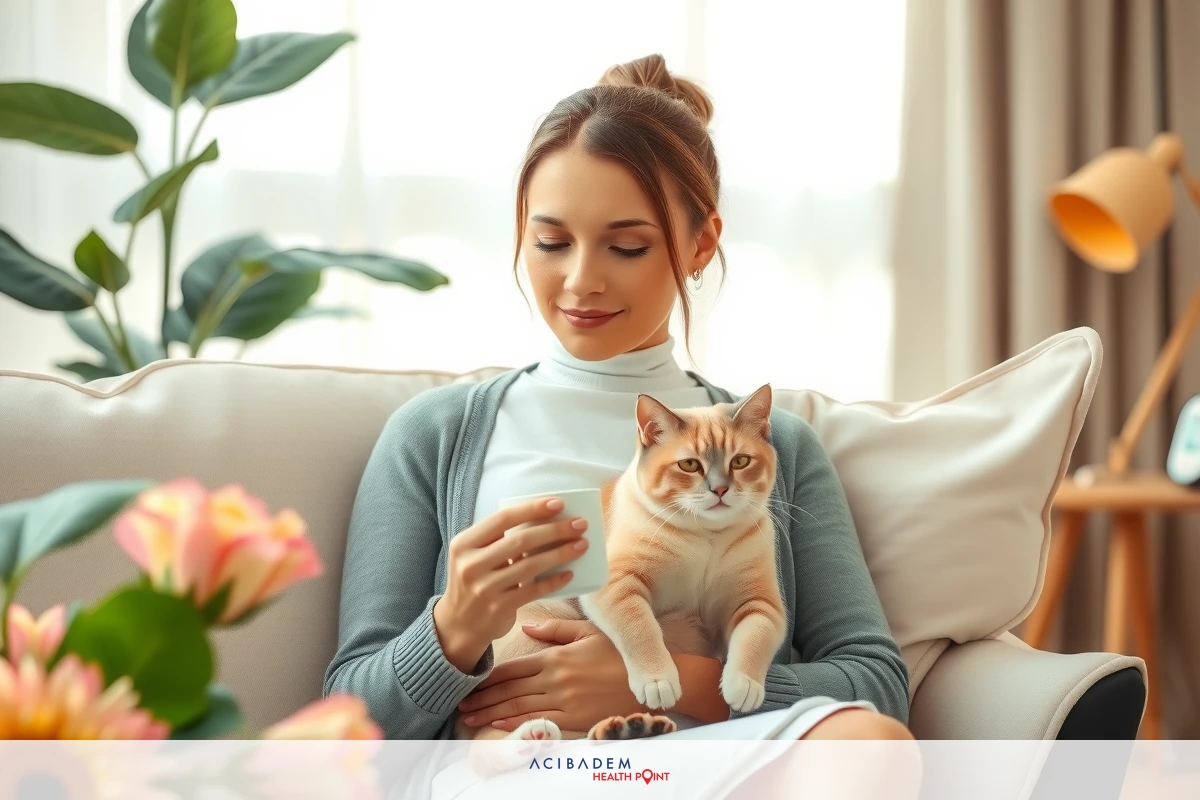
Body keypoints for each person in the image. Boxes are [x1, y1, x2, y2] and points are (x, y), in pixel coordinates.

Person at [325, 54, 918, 796]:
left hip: (718, 762)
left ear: (701, 244)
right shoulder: (435, 436)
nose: (580, 281)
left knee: (872, 745)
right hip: (520, 770)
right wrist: (454, 627)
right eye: (549, 242)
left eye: (626, 246)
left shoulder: (770, 450)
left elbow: (876, 682)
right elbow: (346, 723)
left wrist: (670, 682)